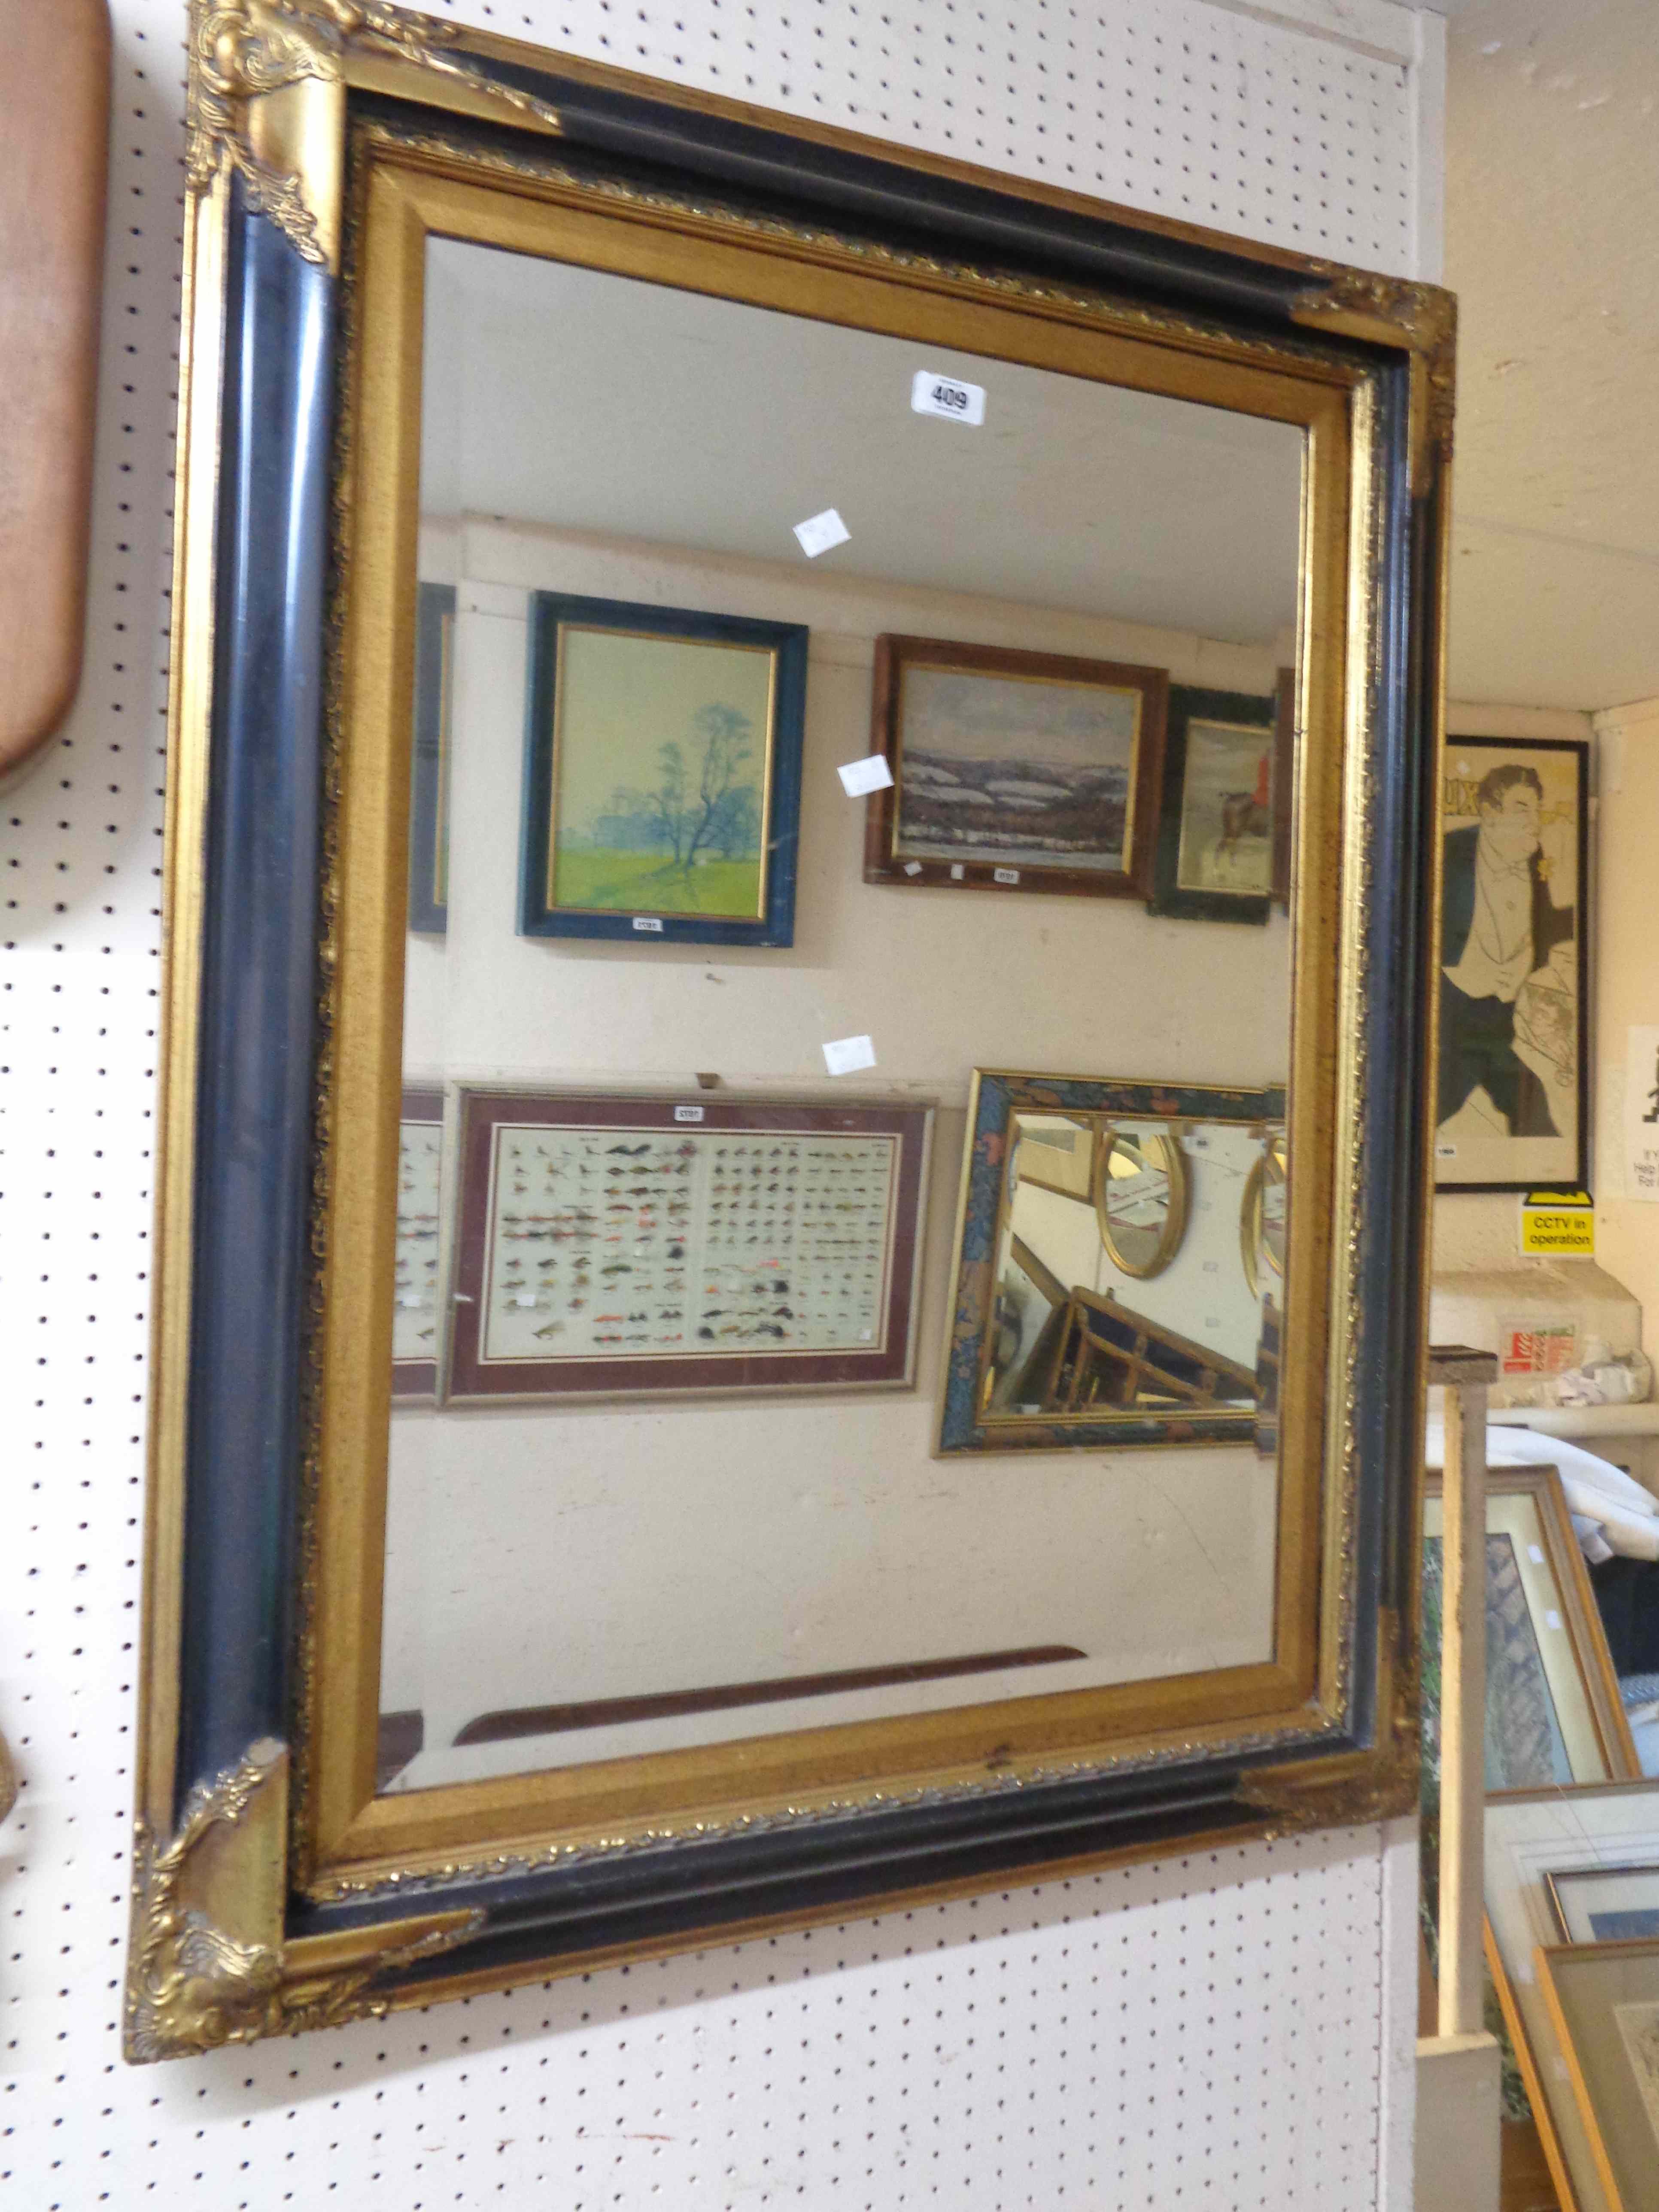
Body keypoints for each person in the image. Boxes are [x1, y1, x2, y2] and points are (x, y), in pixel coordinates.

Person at [1439, 763, 1575, 1137]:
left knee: (1539, 1127)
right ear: (1489, 812)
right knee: (1417, 1124)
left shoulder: (1533, 857)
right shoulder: (1449, 854)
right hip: (1452, 1031)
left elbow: (1542, 923)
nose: (1535, 821)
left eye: (1536, 810)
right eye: (1521, 809)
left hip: (1502, 1028)